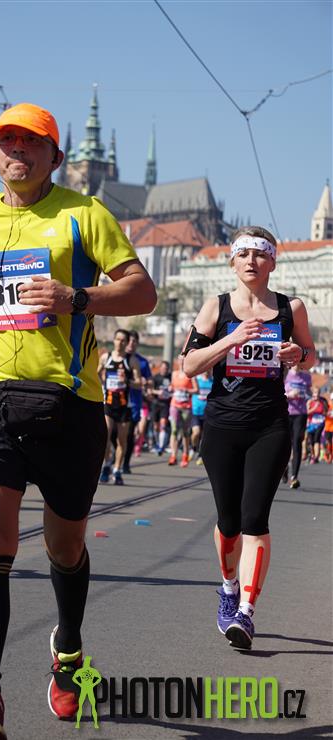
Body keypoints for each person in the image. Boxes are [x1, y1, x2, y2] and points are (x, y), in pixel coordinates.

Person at [0, 102, 156, 739]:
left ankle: (68, 652)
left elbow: (143, 292)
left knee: (65, 546)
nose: (18, 153)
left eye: (32, 144)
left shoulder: (84, 214)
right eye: (8, 143)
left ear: (56, 157)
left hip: (67, 405)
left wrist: (74, 297)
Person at [182, 226, 315, 650]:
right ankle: (228, 586)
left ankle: (246, 611)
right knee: (229, 522)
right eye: (244, 254)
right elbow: (189, 365)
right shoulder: (216, 307)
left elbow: (309, 357)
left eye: (260, 254)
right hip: (222, 425)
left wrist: (299, 354)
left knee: (255, 518)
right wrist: (231, 339)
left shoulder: (291, 308)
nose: (251, 261)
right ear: (232, 262)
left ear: (273, 262)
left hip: (269, 425)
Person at [98, 329, 141, 485]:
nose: (119, 343)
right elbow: (96, 373)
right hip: (108, 403)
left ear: (127, 342)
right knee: (105, 436)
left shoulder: (131, 361)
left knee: (121, 440)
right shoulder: (106, 358)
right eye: (117, 339)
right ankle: (106, 465)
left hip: (124, 405)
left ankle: (117, 469)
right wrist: (102, 381)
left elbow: (139, 383)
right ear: (114, 340)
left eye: (123, 340)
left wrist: (127, 381)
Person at [123, 330, 152, 472]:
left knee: (129, 434)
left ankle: (125, 463)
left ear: (137, 343)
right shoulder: (117, 358)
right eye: (129, 340)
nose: (131, 344)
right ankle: (116, 457)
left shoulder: (142, 362)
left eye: (134, 341)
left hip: (134, 401)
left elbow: (149, 381)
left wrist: (148, 386)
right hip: (115, 400)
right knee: (113, 433)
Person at [284, 365, 312, 488]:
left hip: (300, 414)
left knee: (297, 442)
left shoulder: (306, 377)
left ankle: (294, 477)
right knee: (284, 444)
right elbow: (277, 393)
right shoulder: (285, 374)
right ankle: (283, 469)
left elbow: (310, 394)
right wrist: (289, 395)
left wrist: (304, 395)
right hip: (286, 413)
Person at [168, 361, 198, 467]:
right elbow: (172, 386)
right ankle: (173, 455)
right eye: (180, 360)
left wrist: (187, 390)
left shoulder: (191, 374)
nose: (181, 362)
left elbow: (196, 390)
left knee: (185, 432)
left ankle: (185, 454)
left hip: (186, 407)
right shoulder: (174, 374)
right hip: (174, 404)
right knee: (174, 430)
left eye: (183, 360)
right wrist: (170, 388)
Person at [151, 360, 172, 455]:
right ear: (160, 368)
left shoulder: (171, 377)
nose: (164, 370)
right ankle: (157, 443)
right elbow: (151, 390)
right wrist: (157, 392)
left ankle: (161, 446)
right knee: (156, 426)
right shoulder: (156, 377)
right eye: (163, 368)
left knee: (163, 425)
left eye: (166, 368)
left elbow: (174, 388)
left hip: (165, 404)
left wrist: (171, 391)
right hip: (156, 403)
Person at [191, 370, 212, 465]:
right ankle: (193, 447)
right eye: (205, 370)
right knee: (196, 433)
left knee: (204, 436)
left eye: (209, 370)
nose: (206, 372)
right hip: (196, 411)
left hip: (207, 412)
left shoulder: (213, 381)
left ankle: (200, 455)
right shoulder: (197, 380)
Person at [306, 387, 328, 464]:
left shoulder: (323, 401)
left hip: (320, 423)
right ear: (313, 394)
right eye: (315, 393)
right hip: (311, 424)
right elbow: (307, 412)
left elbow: (326, 412)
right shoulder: (309, 402)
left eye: (318, 393)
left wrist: (324, 414)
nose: (317, 395)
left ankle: (316, 457)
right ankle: (312, 455)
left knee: (317, 438)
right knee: (311, 440)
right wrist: (314, 408)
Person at [324, 392, 333, 464]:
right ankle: (327, 454)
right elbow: (323, 413)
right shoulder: (328, 405)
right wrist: (326, 413)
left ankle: (331, 457)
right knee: (328, 443)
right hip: (327, 427)